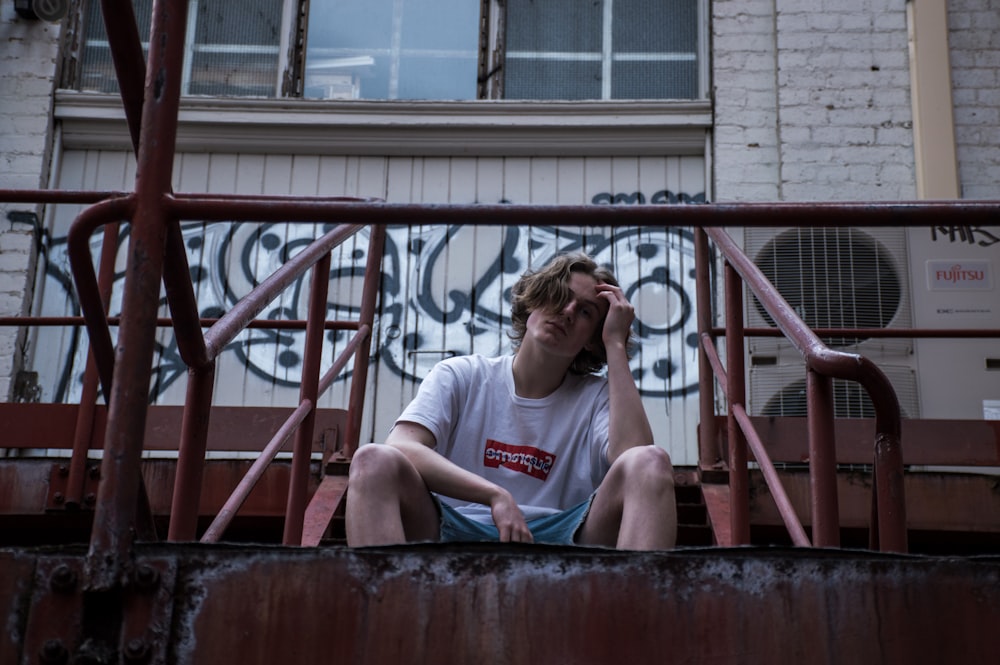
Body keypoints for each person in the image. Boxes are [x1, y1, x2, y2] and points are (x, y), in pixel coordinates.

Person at [346, 252, 677, 549]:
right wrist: (494, 495)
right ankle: (386, 614)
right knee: (373, 460)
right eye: (558, 296)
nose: (567, 311)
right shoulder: (462, 375)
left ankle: (635, 615)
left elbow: (633, 457)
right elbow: (402, 446)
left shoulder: (597, 396)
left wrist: (616, 344)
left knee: (650, 462)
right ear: (533, 302)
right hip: (453, 523)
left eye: (586, 312)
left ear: (592, 340)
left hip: (566, 533)